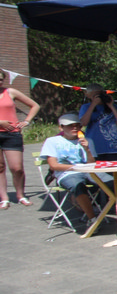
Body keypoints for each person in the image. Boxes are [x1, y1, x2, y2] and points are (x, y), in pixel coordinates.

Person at [38, 114, 99, 230]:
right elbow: (54, 165)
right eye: (70, 126)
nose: (75, 128)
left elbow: (91, 163)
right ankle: (92, 220)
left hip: (88, 171)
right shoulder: (52, 141)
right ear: (61, 127)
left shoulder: (87, 140)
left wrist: (87, 149)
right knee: (78, 186)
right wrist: (75, 167)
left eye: (77, 126)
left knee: (111, 182)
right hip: (67, 173)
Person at [0, 68, 40, 209]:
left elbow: (35, 105)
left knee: (17, 168)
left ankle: (20, 195)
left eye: (1, 79)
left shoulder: (10, 92)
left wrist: (27, 121)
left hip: (12, 134)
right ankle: (4, 198)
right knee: (0, 167)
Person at [79, 83, 117, 160]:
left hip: (112, 147)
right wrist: (93, 104)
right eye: (95, 95)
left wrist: (111, 105)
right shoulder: (86, 107)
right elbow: (83, 123)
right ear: (89, 96)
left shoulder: (113, 107)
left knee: (113, 167)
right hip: (95, 146)